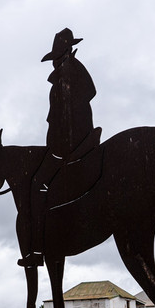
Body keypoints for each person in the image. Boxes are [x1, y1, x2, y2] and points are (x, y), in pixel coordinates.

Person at [18, 28, 97, 267]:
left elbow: (61, 118)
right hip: (73, 139)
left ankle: (38, 249)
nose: (54, 62)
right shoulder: (74, 73)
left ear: (65, 53)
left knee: (36, 184)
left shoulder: (68, 74)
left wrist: (55, 146)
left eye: (56, 56)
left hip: (69, 144)